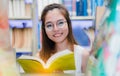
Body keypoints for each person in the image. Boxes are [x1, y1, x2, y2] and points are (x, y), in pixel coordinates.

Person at [37, 3, 89, 73]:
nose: (55, 29)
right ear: (44, 29)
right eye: (49, 25)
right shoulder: (39, 58)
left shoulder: (83, 55)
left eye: (60, 23)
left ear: (68, 24)